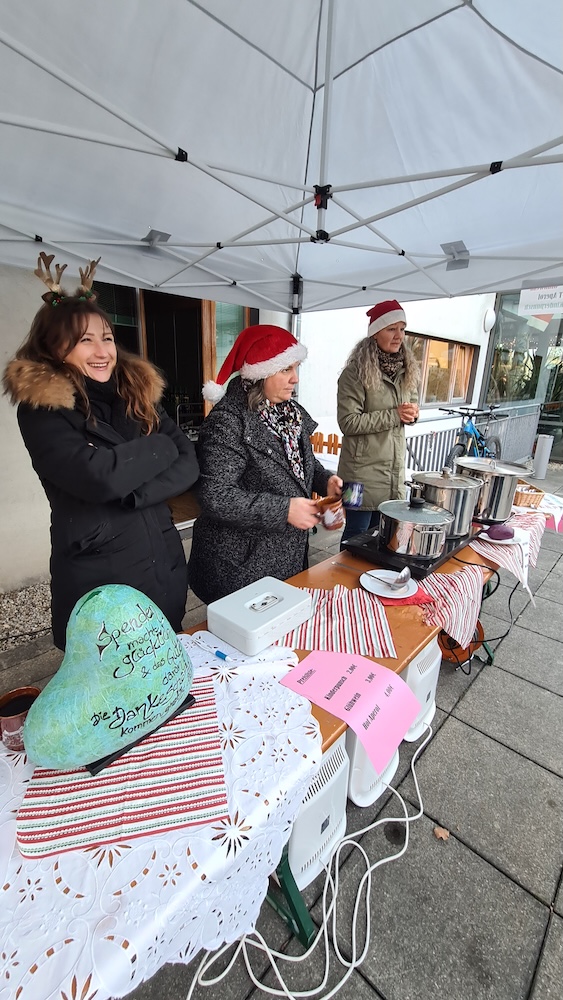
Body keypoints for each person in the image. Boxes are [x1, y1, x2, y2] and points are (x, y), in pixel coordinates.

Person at [2, 253, 199, 650]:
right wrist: (161, 445)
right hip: (101, 576)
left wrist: (135, 490)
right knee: (114, 688)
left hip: (161, 562)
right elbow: (100, 476)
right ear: (54, 347)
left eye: (106, 337)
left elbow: (189, 464)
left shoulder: (135, 394)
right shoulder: (44, 408)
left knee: (168, 670)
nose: (101, 350)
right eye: (84, 340)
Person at [188, 325, 342, 605]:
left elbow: (299, 464)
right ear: (259, 373)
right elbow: (216, 496)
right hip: (240, 565)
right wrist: (284, 509)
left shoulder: (290, 413)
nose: (295, 378)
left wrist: (325, 480)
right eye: (286, 369)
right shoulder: (228, 421)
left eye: (296, 368)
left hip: (286, 557)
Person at [337, 300, 420, 545]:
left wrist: (412, 414)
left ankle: (368, 581)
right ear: (375, 333)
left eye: (402, 329)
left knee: (380, 535)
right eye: (391, 329)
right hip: (357, 476)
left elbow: (412, 406)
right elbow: (348, 422)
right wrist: (395, 415)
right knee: (355, 534)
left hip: (392, 472)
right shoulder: (354, 373)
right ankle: (344, 582)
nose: (399, 336)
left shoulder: (408, 370)